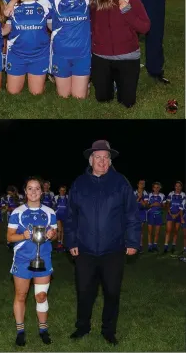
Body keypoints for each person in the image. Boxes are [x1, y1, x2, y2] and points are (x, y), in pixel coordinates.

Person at [64, 140, 140, 345]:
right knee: (84, 291)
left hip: (113, 249)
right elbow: (70, 216)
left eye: (106, 158)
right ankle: (82, 327)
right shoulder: (79, 183)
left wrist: (132, 241)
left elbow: (132, 213)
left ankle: (108, 331)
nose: (102, 161)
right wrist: (71, 241)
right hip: (85, 250)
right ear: (91, 160)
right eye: (98, 157)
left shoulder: (121, 182)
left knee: (112, 292)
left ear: (110, 161)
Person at [90, 0, 150, 108]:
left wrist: (126, 9)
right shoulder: (93, 1)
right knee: (103, 98)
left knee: (127, 102)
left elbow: (145, 27)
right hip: (102, 56)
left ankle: (120, 79)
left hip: (127, 56)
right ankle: (110, 79)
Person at [7, 177, 57, 347]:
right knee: (21, 295)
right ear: (25, 192)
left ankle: (43, 329)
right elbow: (9, 237)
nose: (34, 191)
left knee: (41, 296)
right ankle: (20, 331)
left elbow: (54, 233)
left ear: (42, 191)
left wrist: (52, 235)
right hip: (22, 260)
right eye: (30, 188)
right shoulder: (17, 212)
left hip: (44, 258)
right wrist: (23, 236)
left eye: (37, 188)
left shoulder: (50, 212)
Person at [5, 0, 51, 95]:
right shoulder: (12, 6)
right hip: (17, 54)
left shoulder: (46, 4)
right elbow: (7, 29)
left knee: (36, 93)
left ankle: (40, 79)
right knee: (12, 92)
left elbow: (52, 26)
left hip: (39, 54)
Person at [163, 181, 185, 254]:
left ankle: (173, 246)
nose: (178, 187)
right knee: (168, 230)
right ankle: (165, 247)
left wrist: (177, 214)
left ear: (181, 187)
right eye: (176, 186)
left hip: (178, 215)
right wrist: (170, 213)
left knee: (176, 231)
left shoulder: (183, 194)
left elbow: (182, 206)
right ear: (174, 187)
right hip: (170, 214)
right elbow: (168, 204)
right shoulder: (171, 193)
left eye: (179, 186)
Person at [146, 182, 165, 252]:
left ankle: (155, 245)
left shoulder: (162, 195)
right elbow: (146, 206)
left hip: (158, 215)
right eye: (155, 187)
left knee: (157, 232)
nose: (156, 189)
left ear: (160, 188)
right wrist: (152, 204)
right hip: (150, 215)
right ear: (153, 188)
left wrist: (160, 205)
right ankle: (149, 246)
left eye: (158, 187)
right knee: (150, 232)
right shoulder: (149, 195)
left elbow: (164, 206)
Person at [134, 179, 149, 251]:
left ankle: (140, 246)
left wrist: (140, 199)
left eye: (143, 183)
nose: (142, 184)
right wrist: (138, 197)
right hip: (134, 213)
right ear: (138, 184)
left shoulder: (145, 193)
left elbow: (145, 206)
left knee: (140, 230)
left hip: (142, 213)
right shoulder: (133, 192)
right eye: (141, 183)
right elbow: (132, 204)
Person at [54, 185, 69, 251]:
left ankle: (62, 244)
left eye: (63, 190)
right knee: (59, 230)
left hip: (65, 216)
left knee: (63, 230)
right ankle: (59, 243)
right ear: (59, 191)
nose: (62, 191)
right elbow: (53, 205)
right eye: (61, 190)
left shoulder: (68, 197)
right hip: (58, 215)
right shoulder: (56, 197)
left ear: (65, 191)